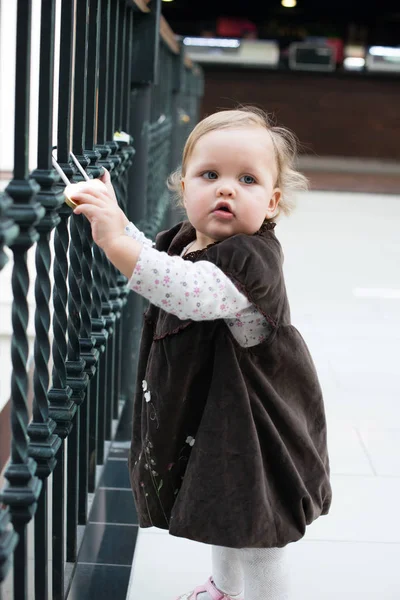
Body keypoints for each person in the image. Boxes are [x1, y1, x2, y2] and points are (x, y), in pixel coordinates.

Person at [66, 106, 332, 600]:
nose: (226, 188)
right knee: (226, 505)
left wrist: (113, 240)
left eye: (247, 179)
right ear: (184, 188)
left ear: (272, 203)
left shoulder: (251, 260)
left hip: (259, 421)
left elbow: (185, 291)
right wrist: (121, 222)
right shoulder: (189, 240)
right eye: (210, 175)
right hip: (221, 414)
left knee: (259, 524)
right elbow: (162, 261)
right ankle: (224, 588)